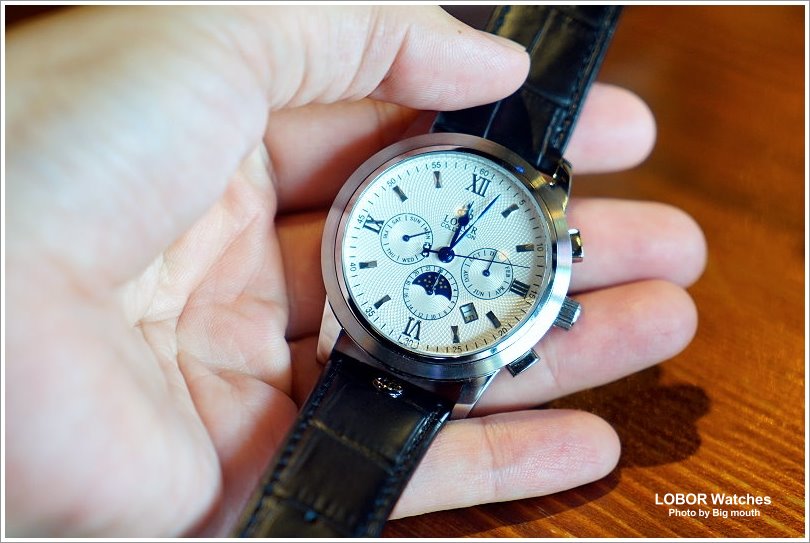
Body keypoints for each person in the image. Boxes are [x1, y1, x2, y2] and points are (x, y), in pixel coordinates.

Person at [5, 5, 707, 537]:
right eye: (436, 246)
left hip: (433, 352)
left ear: (555, 281)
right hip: (357, 327)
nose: (439, 256)